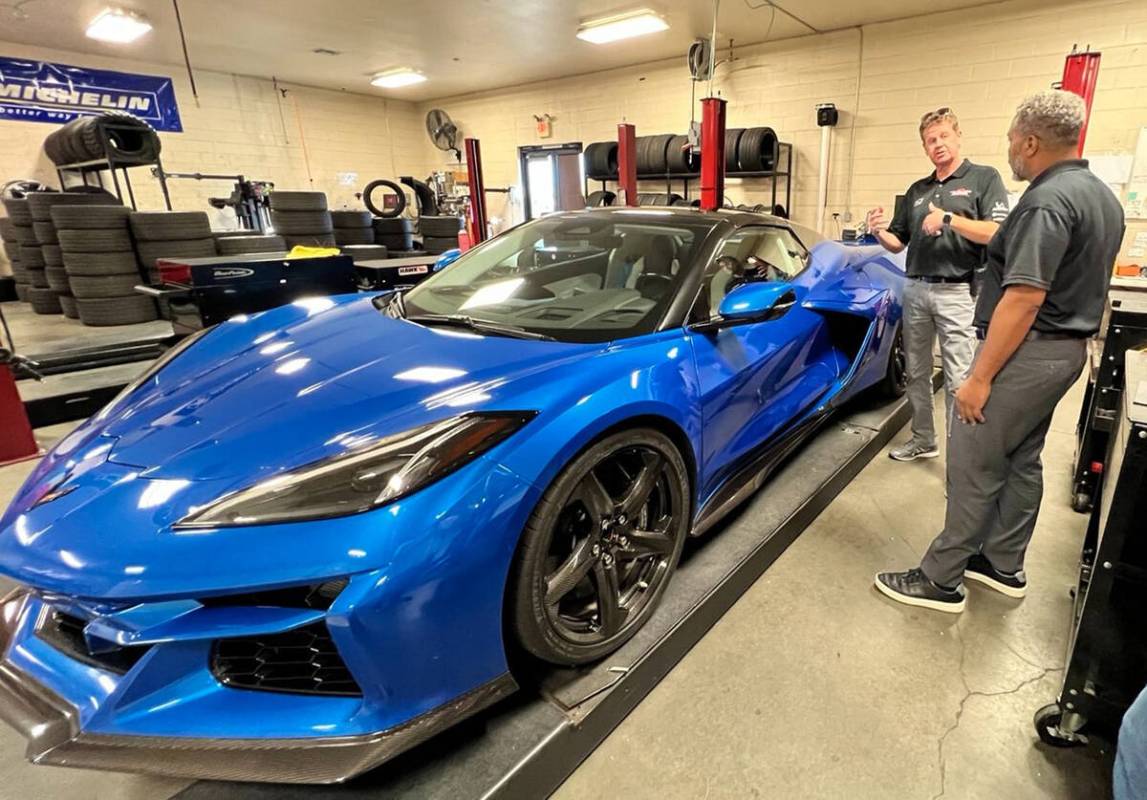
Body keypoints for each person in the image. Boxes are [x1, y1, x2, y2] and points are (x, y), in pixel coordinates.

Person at [874, 89, 1125, 612]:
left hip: (1028, 352)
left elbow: (1026, 295)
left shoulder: (1046, 200)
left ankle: (941, 578)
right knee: (1022, 459)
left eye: (1013, 138)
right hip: (1064, 351)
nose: (1010, 147)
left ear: (1031, 141)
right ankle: (1002, 563)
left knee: (973, 460)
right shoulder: (1098, 194)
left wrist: (980, 377)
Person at [867, 108, 1010, 462]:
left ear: (958, 136)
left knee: (959, 377)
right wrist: (876, 231)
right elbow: (897, 242)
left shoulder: (983, 178)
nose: (938, 144)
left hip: (958, 291)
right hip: (916, 289)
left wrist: (948, 218)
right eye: (931, 140)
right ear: (925, 147)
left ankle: (958, 463)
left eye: (944, 136)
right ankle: (923, 439)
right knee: (916, 371)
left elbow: (996, 233)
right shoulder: (918, 190)